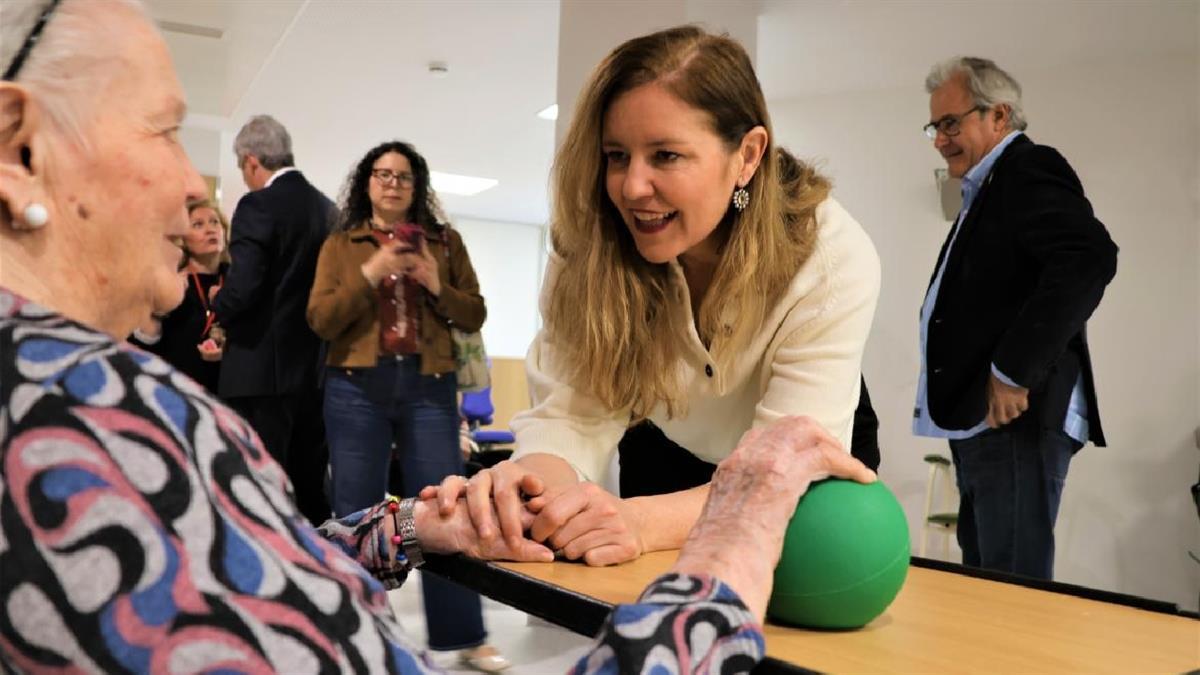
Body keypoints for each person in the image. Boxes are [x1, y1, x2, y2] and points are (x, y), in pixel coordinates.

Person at [0, 1, 878, 672]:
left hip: (455, 400)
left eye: (667, 157)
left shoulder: (96, 406)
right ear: (18, 146)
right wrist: (723, 549)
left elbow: (257, 560)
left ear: (748, 157)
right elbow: (556, 408)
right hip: (363, 389)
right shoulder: (78, 424)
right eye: (164, 129)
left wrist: (415, 525)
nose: (199, 189)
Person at [429, 25, 882, 567]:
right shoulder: (587, 247)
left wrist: (640, 521)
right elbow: (572, 418)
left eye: (665, 155)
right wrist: (523, 489)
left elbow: (781, 468)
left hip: (794, 466)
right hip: (665, 437)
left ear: (747, 155)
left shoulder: (830, 256)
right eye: (616, 155)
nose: (631, 186)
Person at [306, 141, 509, 671]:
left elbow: (475, 314)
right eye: (382, 174)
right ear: (367, 182)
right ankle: (353, 631)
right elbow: (321, 320)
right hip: (354, 387)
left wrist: (437, 284)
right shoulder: (342, 244)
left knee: (445, 503)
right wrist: (372, 271)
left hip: (429, 387)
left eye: (403, 176)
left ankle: (463, 634)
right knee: (354, 508)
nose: (392, 183)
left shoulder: (445, 243)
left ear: (417, 186)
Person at [915, 57, 1117, 579]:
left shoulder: (1027, 168)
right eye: (935, 127)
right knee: (987, 583)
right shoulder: (987, 189)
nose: (940, 139)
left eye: (951, 124)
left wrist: (1013, 371)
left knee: (1011, 587)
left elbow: (1088, 256)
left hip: (1013, 417)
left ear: (999, 116)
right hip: (984, 422)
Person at [211, 113, 333, 526]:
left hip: (258, 375)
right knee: (309, 491)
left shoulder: (257, 204)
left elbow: (244, 287)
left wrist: (216, 306)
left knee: (257, 490)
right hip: (314, 377)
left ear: (250, 161)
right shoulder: (328, 210)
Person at [131, 198, 229, 392]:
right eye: (198, 225)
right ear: (182, 238)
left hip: (228, 394)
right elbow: (143, 345)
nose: (210, 230)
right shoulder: (171, 280)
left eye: (215, 222)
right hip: (179, 390)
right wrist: (159, 309)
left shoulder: (240, 281)